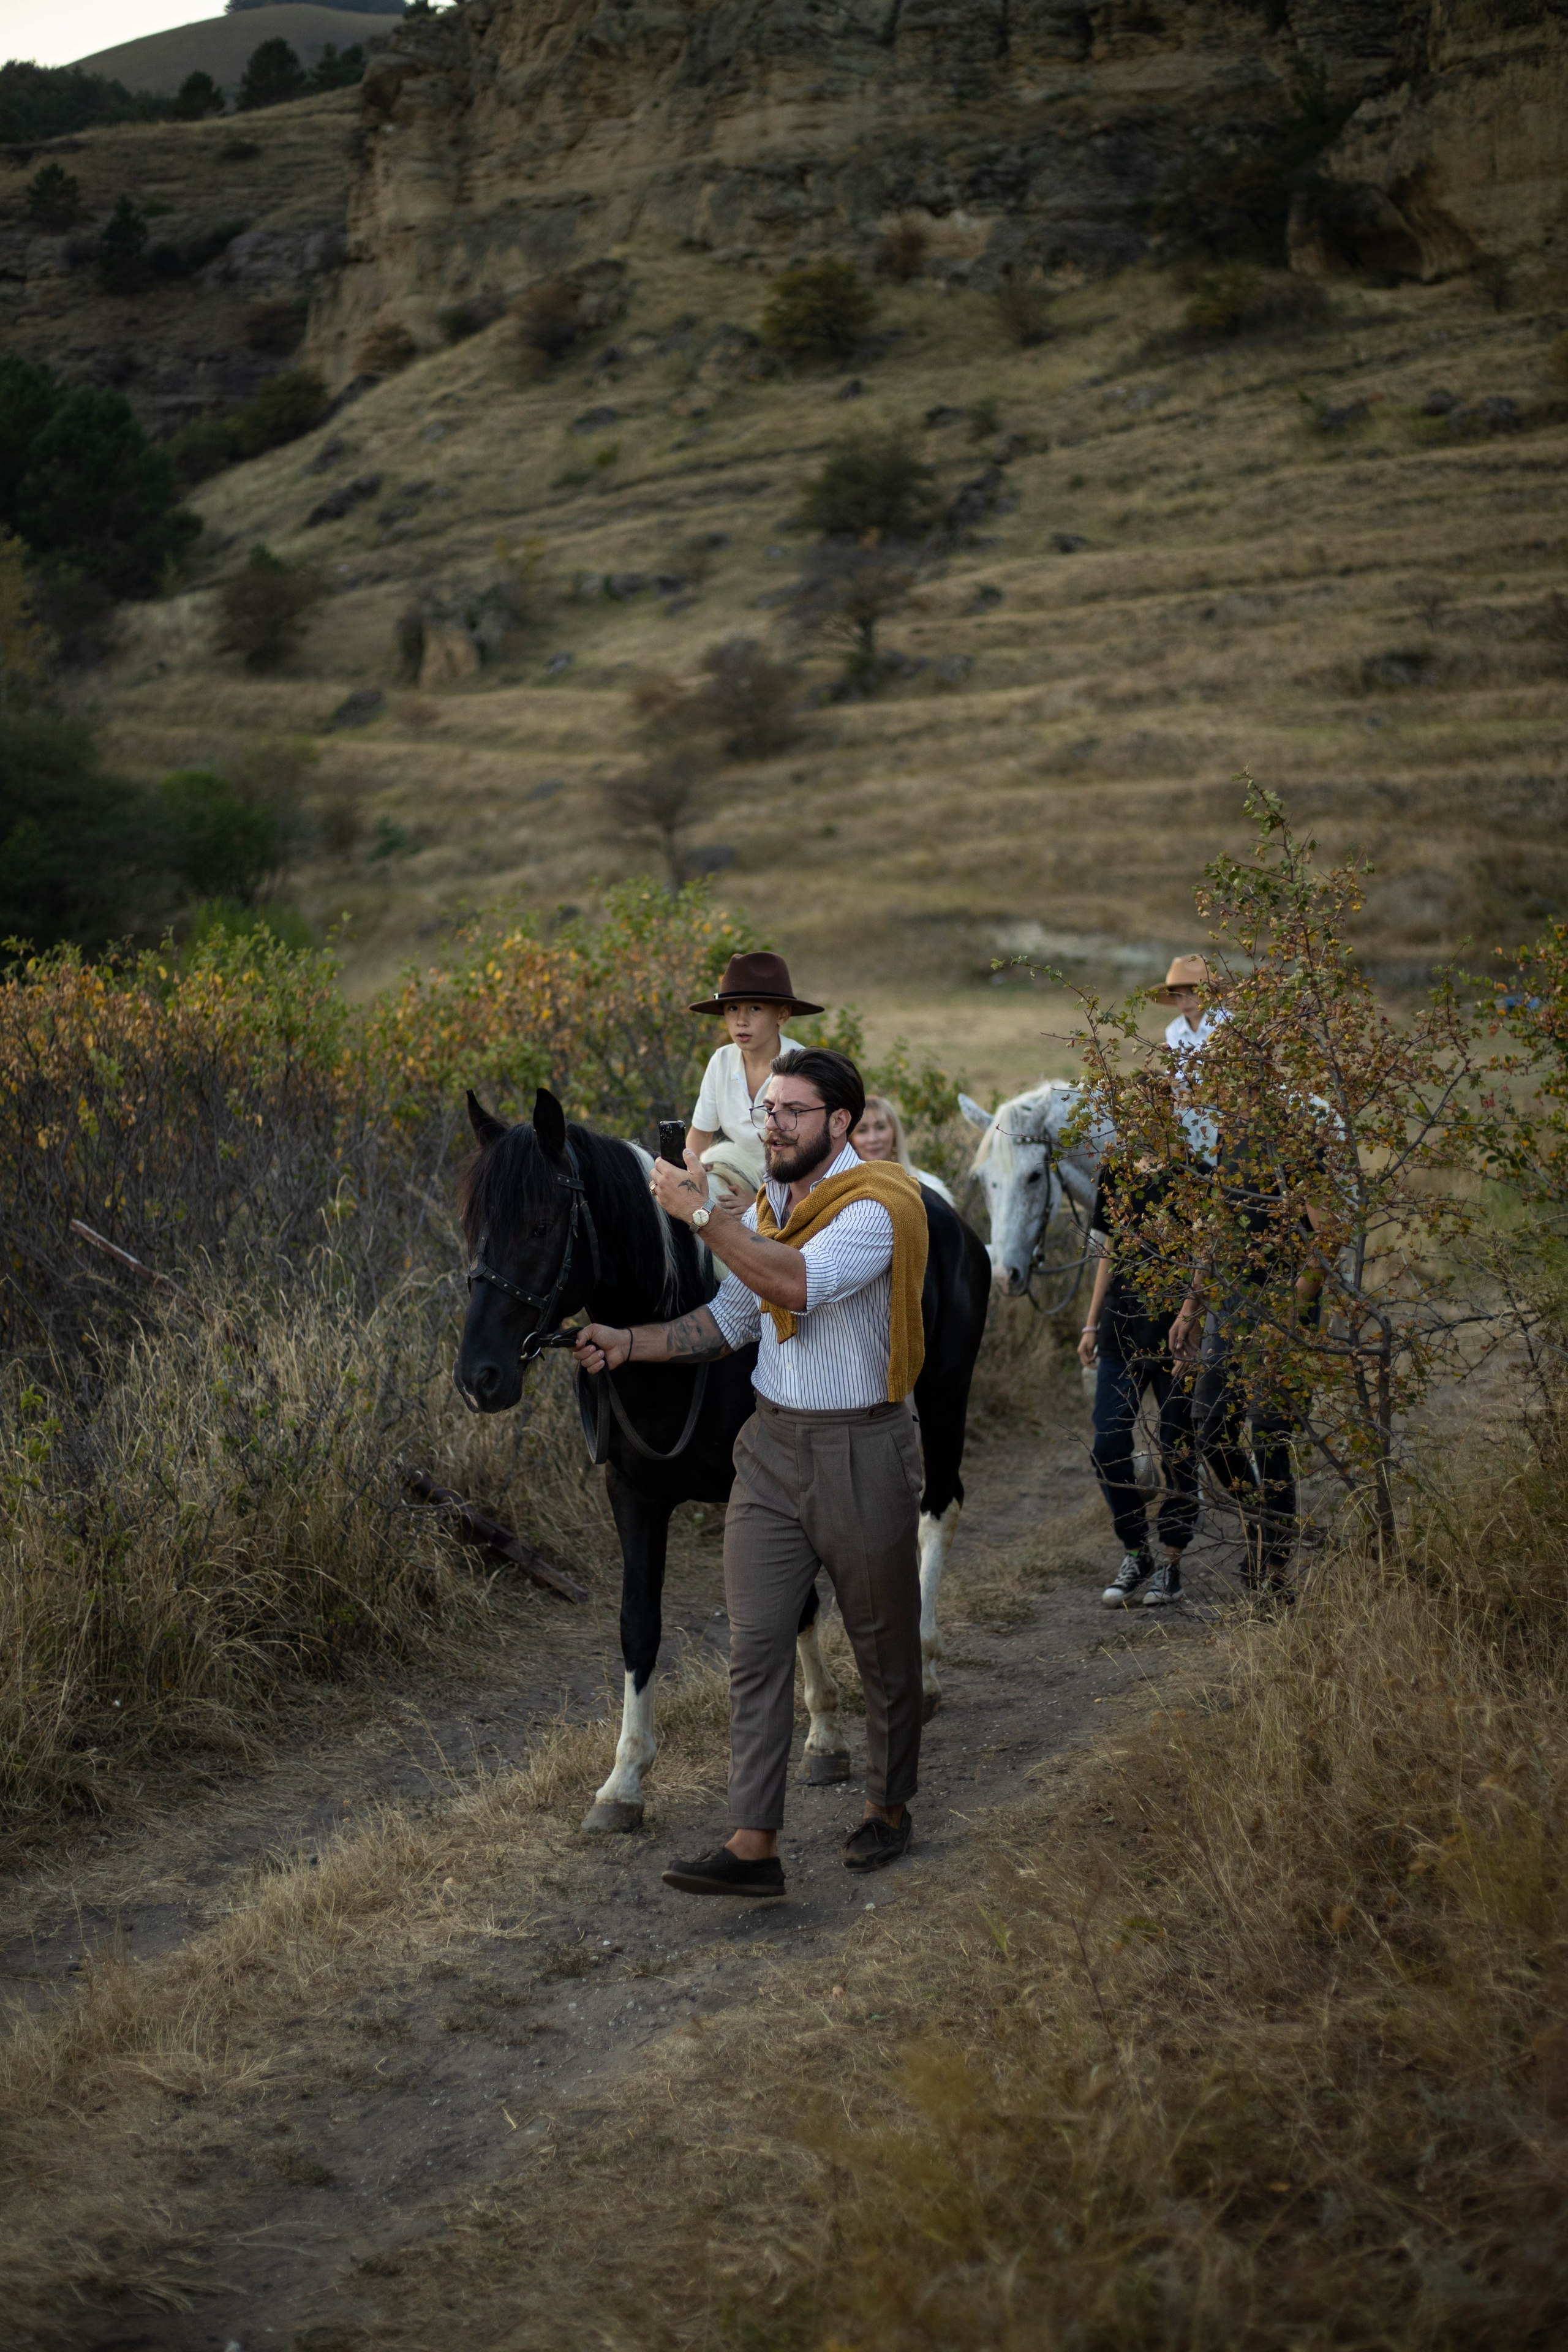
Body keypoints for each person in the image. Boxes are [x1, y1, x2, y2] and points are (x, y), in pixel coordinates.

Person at [573, 1047, 929, 1899]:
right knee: (757, 1643)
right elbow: (736, 1314)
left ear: (840, 1123)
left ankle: (887, 1805)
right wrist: (629, 1344)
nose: (770, 1124)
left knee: (882, 1648)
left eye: (790, 1113)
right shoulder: (771, 1204)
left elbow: (796, 1286)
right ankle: (754, 1842)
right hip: (769, 1449)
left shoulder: (878, 1205)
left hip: (861, 1449)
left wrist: (701, 1217)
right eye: (766, 1110)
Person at [1169, 1116, 1325, 1596]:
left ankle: (1275, 1577)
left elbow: (1328, 1238)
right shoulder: (1231, 1134)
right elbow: (1218, 1226)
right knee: (1210, 1424)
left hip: (1283, 1310)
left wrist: (1289, 1318)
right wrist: (1191, 1307)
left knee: (1267, 1431)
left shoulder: (1301, 1136)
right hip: (1231, 1307)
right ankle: (1259, 1522)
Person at [1078, 1154, 1197, 1608]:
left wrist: (1193, 1322)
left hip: (1177, 1337)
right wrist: (1091, 1324)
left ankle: (1171, 1563)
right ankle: (1136, 1551)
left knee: (1177, 1447)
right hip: (1120, 1328)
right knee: (1108, 1444)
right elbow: (1108, 1254)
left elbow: (1205, 1262)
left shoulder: (1197, 1176)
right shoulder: (1116, 1174)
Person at [685, 950, 823, 1188]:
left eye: (755, 1008)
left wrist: (757, 1204)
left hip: (799, 1185)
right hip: (741, 1179)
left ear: (782, 1014)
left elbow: (810, 1153)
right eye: (732, 1008)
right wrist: (688, 1178)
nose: (741, 1020)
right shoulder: (721, 1061)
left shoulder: (804, 1067)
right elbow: (700, 1133)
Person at [851, 1092, 955, 1205]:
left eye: (880, 1127)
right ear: (851, 1139)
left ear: (895, 1132)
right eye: (862, 1130)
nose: (873, 1139)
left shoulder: (931, 1188)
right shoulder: (844, 1192)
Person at [1153, 953, 1230, 1062]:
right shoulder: (1174, 1030)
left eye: (1192, 992)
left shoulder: (1225, 1022)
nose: (1185, 1002)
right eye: (1179, 995)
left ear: (1210, 993)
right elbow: (1177, 1073)